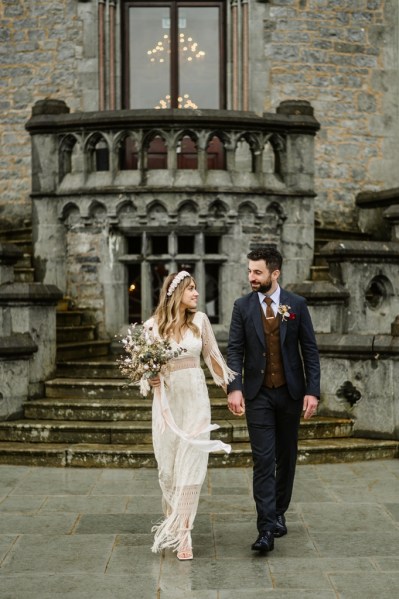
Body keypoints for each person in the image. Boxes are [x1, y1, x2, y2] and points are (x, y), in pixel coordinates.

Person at [227, 247, 320, 553]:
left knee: (287, 457)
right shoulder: (242, 307)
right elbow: (235, 350)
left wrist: (312, 391)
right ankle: (266, 527)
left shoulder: (296, 305)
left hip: (291, 393)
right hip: (258, 394)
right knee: (264, 460)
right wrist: (235, 387)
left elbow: (310, 350)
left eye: (257, 272)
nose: (251, 277)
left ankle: (279, 510)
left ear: (274, 273)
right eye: (250, 271)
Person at [145, 270, 236, 560]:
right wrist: (150, 378)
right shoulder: (152, 326)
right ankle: (173, 521)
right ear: (175, 294)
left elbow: (213, 357)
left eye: (197, 288)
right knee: (169, 469)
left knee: (192, 466)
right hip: (168, 405)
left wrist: (231, 391)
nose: (197, 293)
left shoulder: (200, 321)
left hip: (196, 401)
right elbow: (143, 370)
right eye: (191, 289)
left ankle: (184, 533)